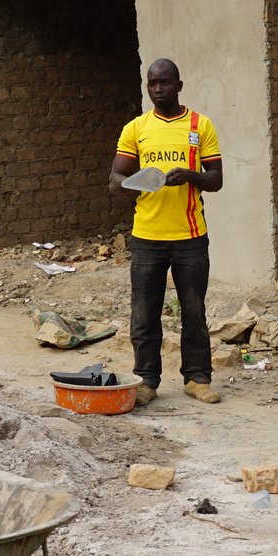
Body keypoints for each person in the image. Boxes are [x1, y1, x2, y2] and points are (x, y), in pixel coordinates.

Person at [110, 58, 223, 406]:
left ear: (179, 85)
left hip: (190, 236)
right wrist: (137, 183)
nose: (158, 89)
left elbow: (216, 180)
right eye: (152, 83)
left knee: (193, 311)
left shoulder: (200, 126)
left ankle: (197, 378)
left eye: (165, 83)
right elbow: (115, 179)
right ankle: (146, 381)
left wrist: (190, 175)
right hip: (147, 237)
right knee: (144, 312)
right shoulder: (136, 128)